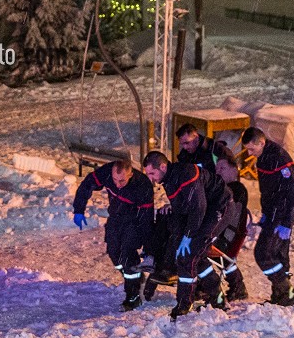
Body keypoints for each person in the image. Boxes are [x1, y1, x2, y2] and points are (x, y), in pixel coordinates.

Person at [142, 151, 228, 320]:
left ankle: (184, 304)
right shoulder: (170, 180)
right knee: (197, 256)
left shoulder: (186, 174)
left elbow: (198, 207)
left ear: (163, 166)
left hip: (218, 208)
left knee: (188, 257)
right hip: (205, 212)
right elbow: (181, 211)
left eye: (152, 173)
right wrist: (178, 234)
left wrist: (188, 235)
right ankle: (217, 297)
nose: (151, 178)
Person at [176, 124, 250, 301]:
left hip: (220, 211)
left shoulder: (217, 151)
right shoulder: (185, 156)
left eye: (187, 143)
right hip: (208, 202)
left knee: (199, 249)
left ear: (195, 137)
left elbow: (233, 216)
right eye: (182, 144)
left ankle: (211, 288)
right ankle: (232, 286)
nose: (185, 147)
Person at [72, 160, 156, 311]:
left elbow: (146, 218)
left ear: (130, 175)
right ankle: (133, 276)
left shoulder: (142, 186)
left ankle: (133, 296)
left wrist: (148, 246)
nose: (117, 184)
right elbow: (87, 184)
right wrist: (78, 209)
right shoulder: (107, 172)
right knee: (114, 253)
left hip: (134, 221)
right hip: (116, 218)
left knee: (127, 255)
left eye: (122, 180)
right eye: (115, 180)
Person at [240, 127, 294, 306]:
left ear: (261, 143)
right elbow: (268, 191)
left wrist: (286, 221)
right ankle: (282, 295)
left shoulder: (278, 158)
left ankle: (287, 292)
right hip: (275, 212)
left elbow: (292, 191)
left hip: (283, 213)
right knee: (278, 253)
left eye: (252, 149)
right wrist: (267, 214)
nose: (249, 153)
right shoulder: (265, 157)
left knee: (263, 253)